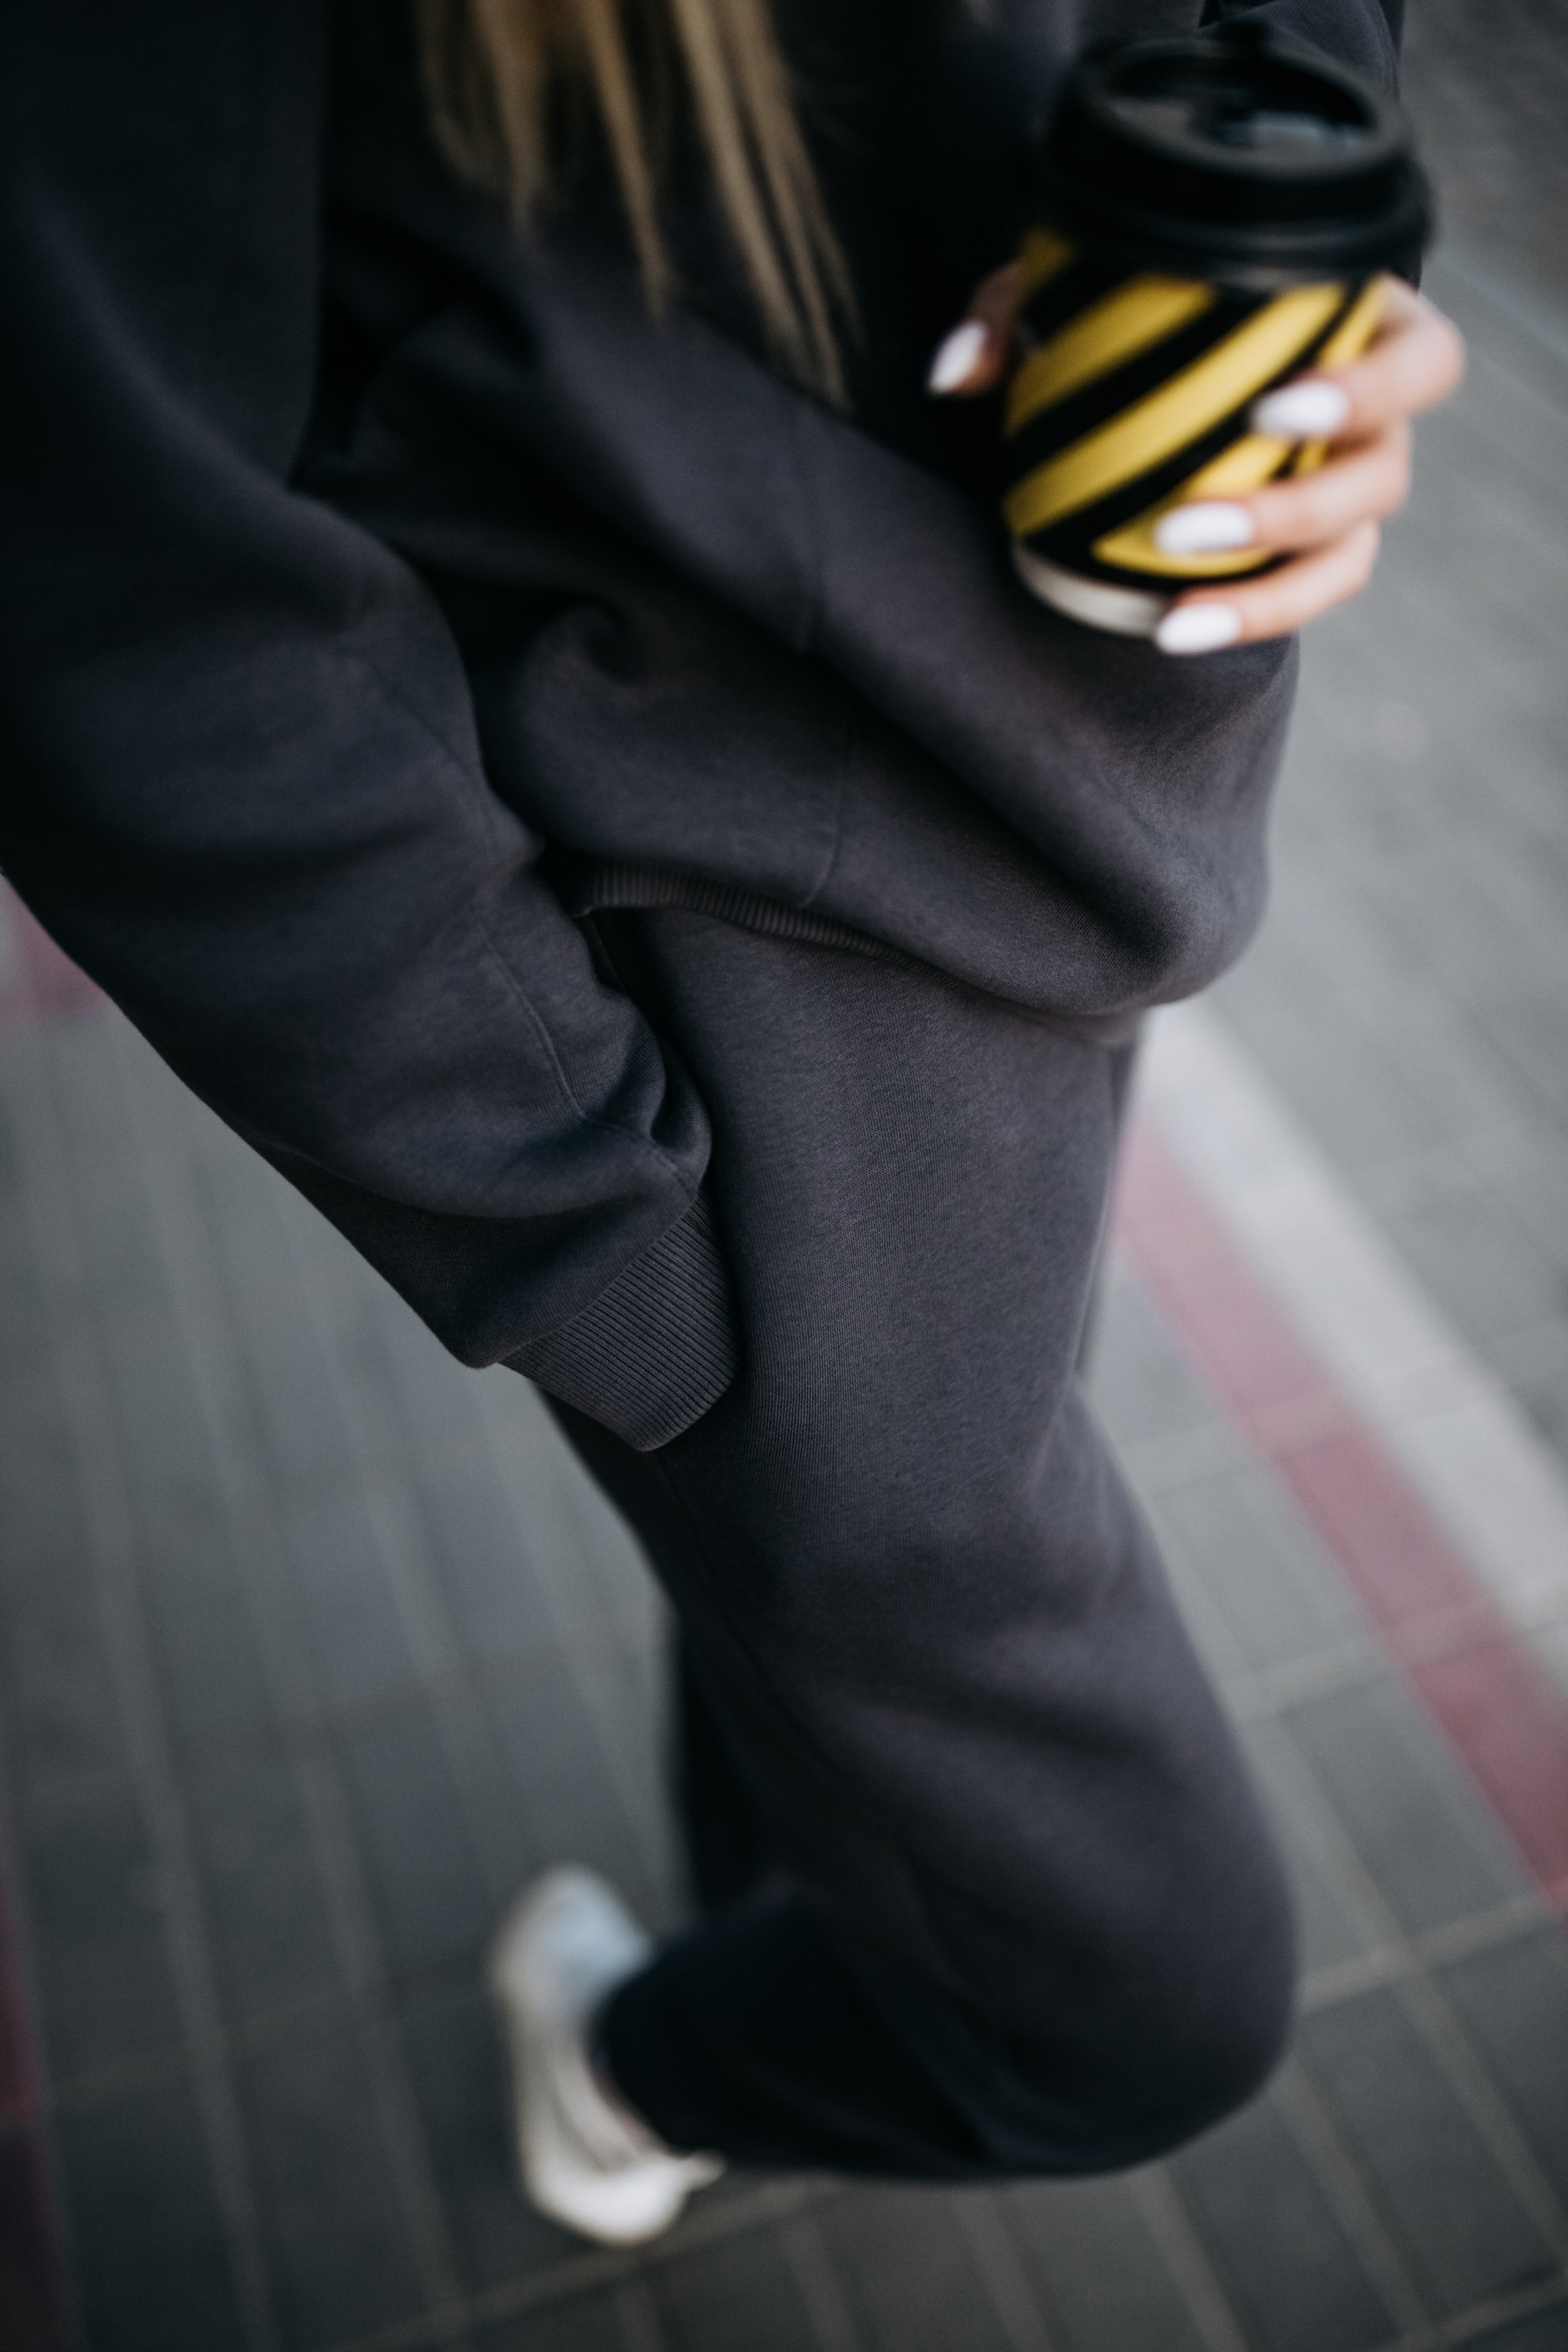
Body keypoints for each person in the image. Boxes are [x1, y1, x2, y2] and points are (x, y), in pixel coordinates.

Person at [3, 0, 1461, 2251]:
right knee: (1138, 2004)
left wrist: (1309, 194)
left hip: (1071, 804)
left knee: (814, 1644)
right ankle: (618, 2054)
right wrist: (623, 1262)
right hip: (741, 970)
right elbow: (106, 558)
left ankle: (762, 1878)